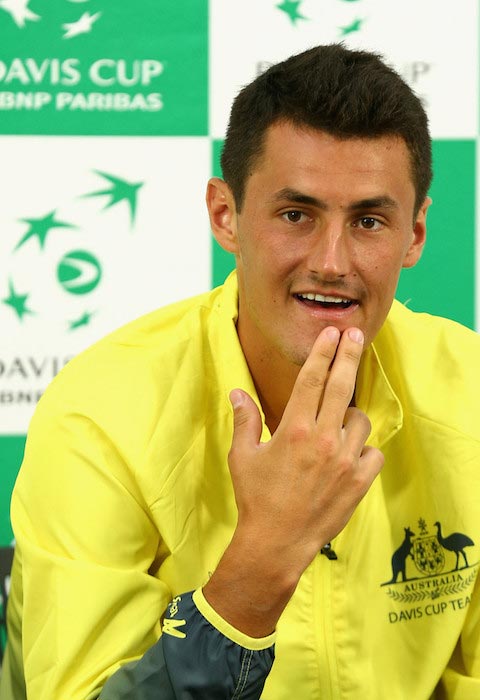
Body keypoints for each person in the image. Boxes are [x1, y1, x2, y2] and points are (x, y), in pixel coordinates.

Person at [1, 42, 479, 700]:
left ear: (417, 235)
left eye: (368, 220)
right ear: (226, 215)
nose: (333, 262)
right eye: (296, 215)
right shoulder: (100, 416)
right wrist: (263, 558)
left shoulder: (470, 391)